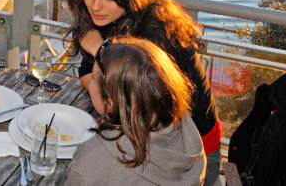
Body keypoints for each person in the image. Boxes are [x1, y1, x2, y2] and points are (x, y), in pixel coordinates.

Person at [68, 0, 221, 185]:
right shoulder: (107, 17)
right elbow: (88, 75)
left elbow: (132, 108)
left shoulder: (157, 33)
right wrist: (104, 70)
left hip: (186, 152)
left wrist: (101, 50)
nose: (95, 5)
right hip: (140, 136)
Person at [66, 37, 205, 186]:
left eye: (93, 77)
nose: (90, 81)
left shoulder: (93, 159)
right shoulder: (187, 133)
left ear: (111, 101)